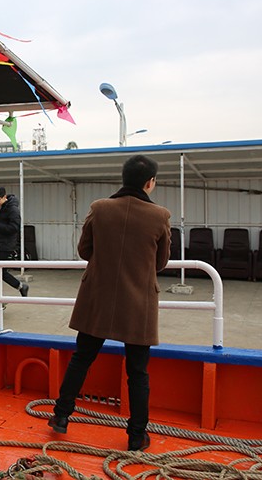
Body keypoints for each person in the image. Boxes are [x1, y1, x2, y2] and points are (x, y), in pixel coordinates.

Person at [48, 155, 171, 452]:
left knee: (82, 358)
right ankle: (136, 436)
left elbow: (84, 250)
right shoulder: (160, 216)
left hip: (98, 297)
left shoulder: (100, 208)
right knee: (138, 371)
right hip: (138, 303)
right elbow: (161, 262)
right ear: (150, 182)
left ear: (123, 178)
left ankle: (61, 416)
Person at [0, 186, 29, 297]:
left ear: (4, 197)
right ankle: (17, 287)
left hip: (7, 245)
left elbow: (14, 228)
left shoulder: (13, 210)